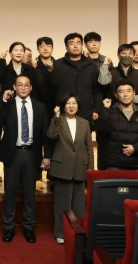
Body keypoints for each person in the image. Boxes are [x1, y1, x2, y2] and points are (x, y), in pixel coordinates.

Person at [0, 75, 52, 244]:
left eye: (26, 85)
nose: (23, 87)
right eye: (19, 85)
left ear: (31, 87)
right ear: (14, 87)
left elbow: (45, 134)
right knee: (10, 193)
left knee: (30, 194)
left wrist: (47, 156)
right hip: (13, 153)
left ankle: (29, 227)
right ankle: (8, 227)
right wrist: (4, 101)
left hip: (31, 154)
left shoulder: (40, 106)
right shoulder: (8, 104)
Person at [47, 94, 93, 244]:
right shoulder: (58, 120)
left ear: (78, 106)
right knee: (62, 204)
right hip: (62, 167)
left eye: (74, 103)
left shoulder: (84, 123)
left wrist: (90, 170)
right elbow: (51, 136)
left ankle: (78, 233)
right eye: (68, 103)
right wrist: (56, 117)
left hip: (81, 167)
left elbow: (89, 147)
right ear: (63, 106)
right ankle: (60, 233)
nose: (71, 106)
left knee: (79, 205)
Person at [96, 80, 138, 171]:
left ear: (134, 93)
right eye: (121, 92)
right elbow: (101, 132)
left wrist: (135, 148)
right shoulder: (110, 112)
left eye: (128, 91)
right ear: (116, 95)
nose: (125, 94)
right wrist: (105, 109)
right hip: (114, 164)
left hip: (137, 163)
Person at [52, 33, 102, 124]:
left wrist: (96, 110)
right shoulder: (58, 65)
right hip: (64, 113)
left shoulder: (91, 64)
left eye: (78, 43)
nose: (75, 46)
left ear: (82, 45)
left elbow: (97, 90)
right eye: (71, 43)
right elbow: (52, 89)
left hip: (87, 112)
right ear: (66, 47)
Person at [108, 44, 138, 108]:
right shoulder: (110, 73)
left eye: (130, 54)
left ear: (133, 56)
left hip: (135, 110)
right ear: (118, 56)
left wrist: (129, 99)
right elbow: (103, 84)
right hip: (114, 109)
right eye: (124, 53)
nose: (127, 56)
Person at [31, 37, 57, 120]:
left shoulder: (58, 65)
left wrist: (51, 70)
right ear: (38, 49)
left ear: (52, 48)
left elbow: (58, 84)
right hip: (36, 106)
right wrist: (32, 69)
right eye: (42, 46)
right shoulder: (32, 64)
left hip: (55, 107)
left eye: (48, 46)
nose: (45, 49)